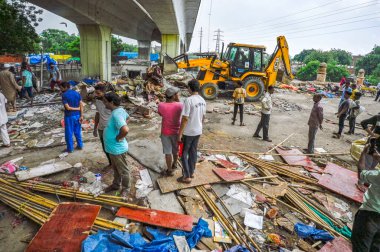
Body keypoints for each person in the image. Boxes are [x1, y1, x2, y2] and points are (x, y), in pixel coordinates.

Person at [351, 143, 380, 252]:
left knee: (360, 247)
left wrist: (363, 153)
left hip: (369, 215)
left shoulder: (378, 176)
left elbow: (361, 172)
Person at [178, 79, 206, 184]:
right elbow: (203, 117)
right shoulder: (202, 100)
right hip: (198, 130)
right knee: (193, 152)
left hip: (189, 132)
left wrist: (180, 134)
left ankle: (186, 176)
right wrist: (199, 126)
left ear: (190, 88)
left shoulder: (189, 100)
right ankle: (191, 172)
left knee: (183, 153)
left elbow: (185, 119)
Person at [102, 92, 130, 196]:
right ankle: (115, 184)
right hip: (113, 149)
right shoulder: (120, 110)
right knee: (116, 169)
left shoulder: (116, 114)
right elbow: (128, 118)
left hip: (117, 149)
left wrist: (119, 137)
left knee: (123, 170)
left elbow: (125, 129)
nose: (104, 104)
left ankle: (126, 189)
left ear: (112, 102)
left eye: (105, 102)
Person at [158, 87, 183, 176]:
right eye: (176, 94)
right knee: (175, 150)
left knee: (167, 152)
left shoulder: (161, 105)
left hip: (165, 132)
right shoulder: (180, 105)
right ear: (174, 96)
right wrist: (178, 100)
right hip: (176, 132)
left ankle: (169, 170)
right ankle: (175, 164)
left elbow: (160, 114)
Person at [59, 82, 83, 153]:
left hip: (69, 116)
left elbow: (68, 108)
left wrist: (77, 109)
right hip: (78, 115)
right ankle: (80, 145)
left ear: (65, 87)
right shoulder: (76, 93)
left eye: (61, 88)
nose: (60, 89)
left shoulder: (64, 95)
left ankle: (70, 149)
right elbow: (81, 105)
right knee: (77, 131)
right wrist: (81, 115)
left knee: (69, 133)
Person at [93, 84, 112, 167]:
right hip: (101, 128)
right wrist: (95, 128)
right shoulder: (97, 101)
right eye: (95, 93)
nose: (96, 95)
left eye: (98, 93)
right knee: (105, 148)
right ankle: (111, 163)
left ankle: (115, 164)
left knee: (112, 147)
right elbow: (97, 115)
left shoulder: (110, 101)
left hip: (110, 128)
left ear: (104, 92)